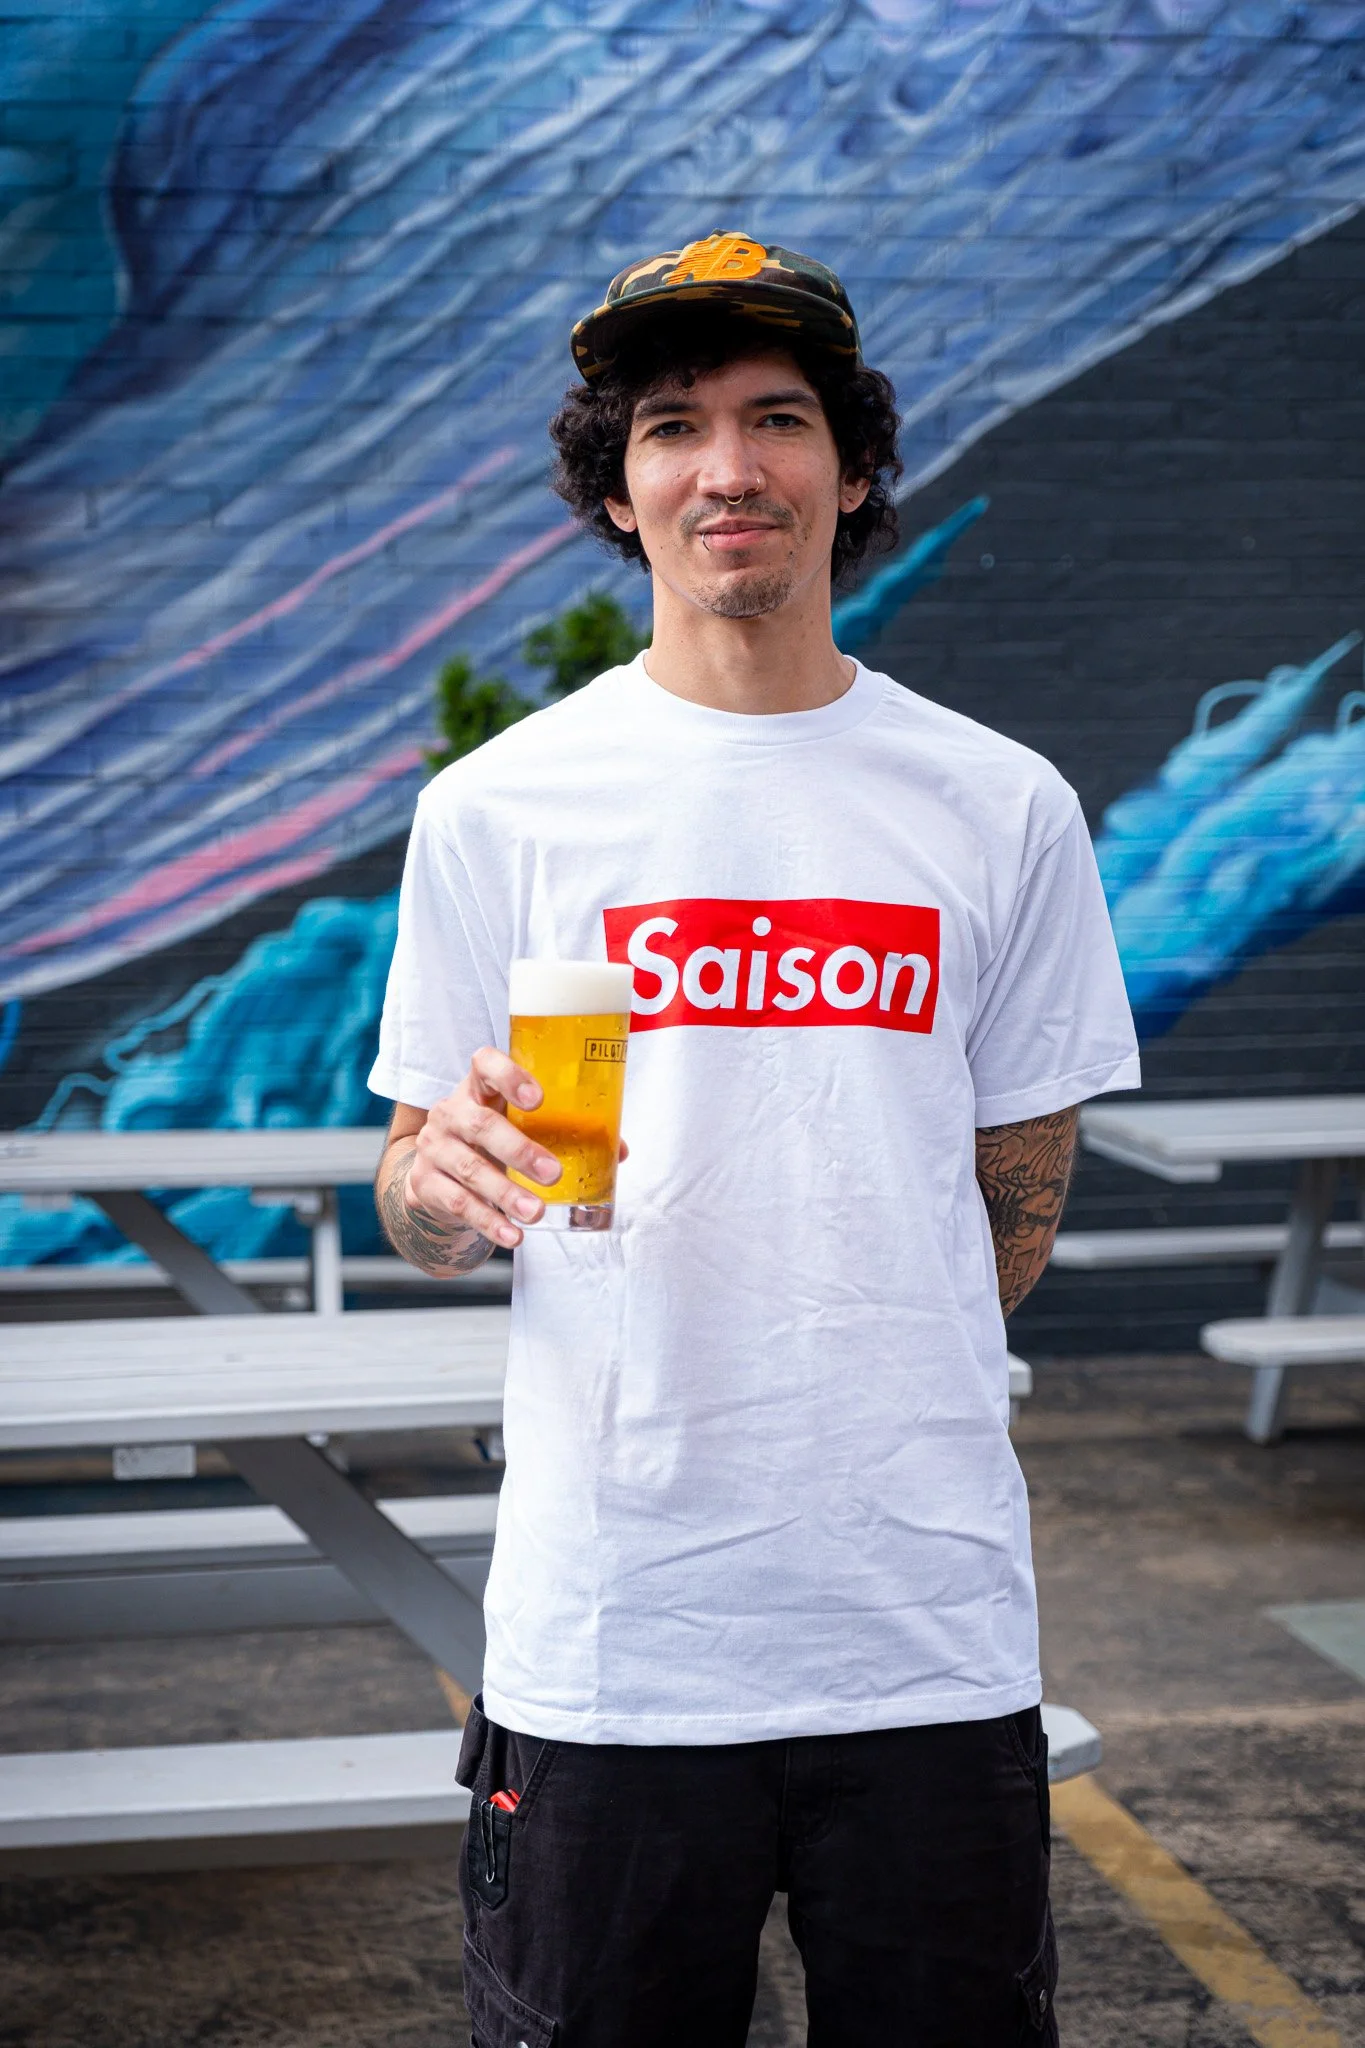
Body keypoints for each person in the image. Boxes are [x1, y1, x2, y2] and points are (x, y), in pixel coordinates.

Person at [369, 233, 1140, 2048]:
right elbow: (418, 1184)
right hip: (614, 1636)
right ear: (619, 491)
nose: (730, 466)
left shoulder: (998, 804)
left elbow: (1013, 1207)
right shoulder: (500, 810)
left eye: (779, 417)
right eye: (672, 426)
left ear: (852, 467)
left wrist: (864, 1319)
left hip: (922, 1624)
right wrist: (437, 1188)